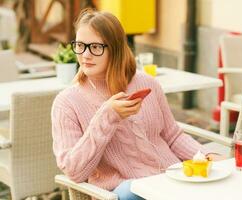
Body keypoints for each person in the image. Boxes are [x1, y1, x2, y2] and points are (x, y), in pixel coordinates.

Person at [51, 8, 225, 200]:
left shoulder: (147, 83)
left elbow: (173, 136)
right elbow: (74, 171)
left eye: (96, 47)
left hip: (170, 179)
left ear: (115, 48)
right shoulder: (66, 103)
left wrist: (207, 156)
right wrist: (106, 116)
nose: (85, 55)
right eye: (80, 45)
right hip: (124, 191)